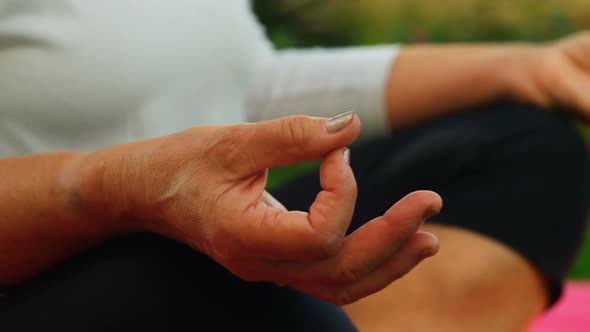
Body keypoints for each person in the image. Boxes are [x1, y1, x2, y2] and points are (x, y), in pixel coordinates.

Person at [0, 1, 588, 331]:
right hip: (51, 261)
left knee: (525, 154)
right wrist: (121, 188)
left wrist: (517, 67)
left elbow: (246, 79)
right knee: (215, 288)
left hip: (182, 227)